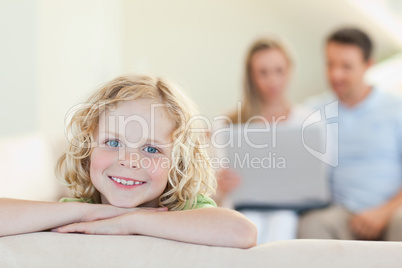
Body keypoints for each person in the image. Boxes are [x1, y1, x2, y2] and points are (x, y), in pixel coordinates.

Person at [0, 74, 257, 248]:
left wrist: (132, 221)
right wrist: (87, 211)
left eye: (151, 149)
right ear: (88, 148)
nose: (130, 161)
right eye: (113, 143)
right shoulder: (81, 211)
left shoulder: (186, 211)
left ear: (177, 162)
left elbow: (242, 232)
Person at [298, 28, 402, 241]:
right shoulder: (312, 111)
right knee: (313, 224)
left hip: (392, 211)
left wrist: (382, 212)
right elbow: (274, 127)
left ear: (368, 66)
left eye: (346, 66)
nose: (336, 74)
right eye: (330, 64)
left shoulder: (396, 109)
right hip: (343, 214)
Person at [214, 37, 311, 244]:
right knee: (249, 224)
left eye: (279, 71)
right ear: (251, 76)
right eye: (263, 73)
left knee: (282, 223)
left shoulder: (307, 122)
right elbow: (214, 182)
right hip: (243, 206)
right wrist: (220, 183)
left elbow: (315, 177)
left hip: (288, 207)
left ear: (289, 71)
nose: (272, 81)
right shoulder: (229, 122)